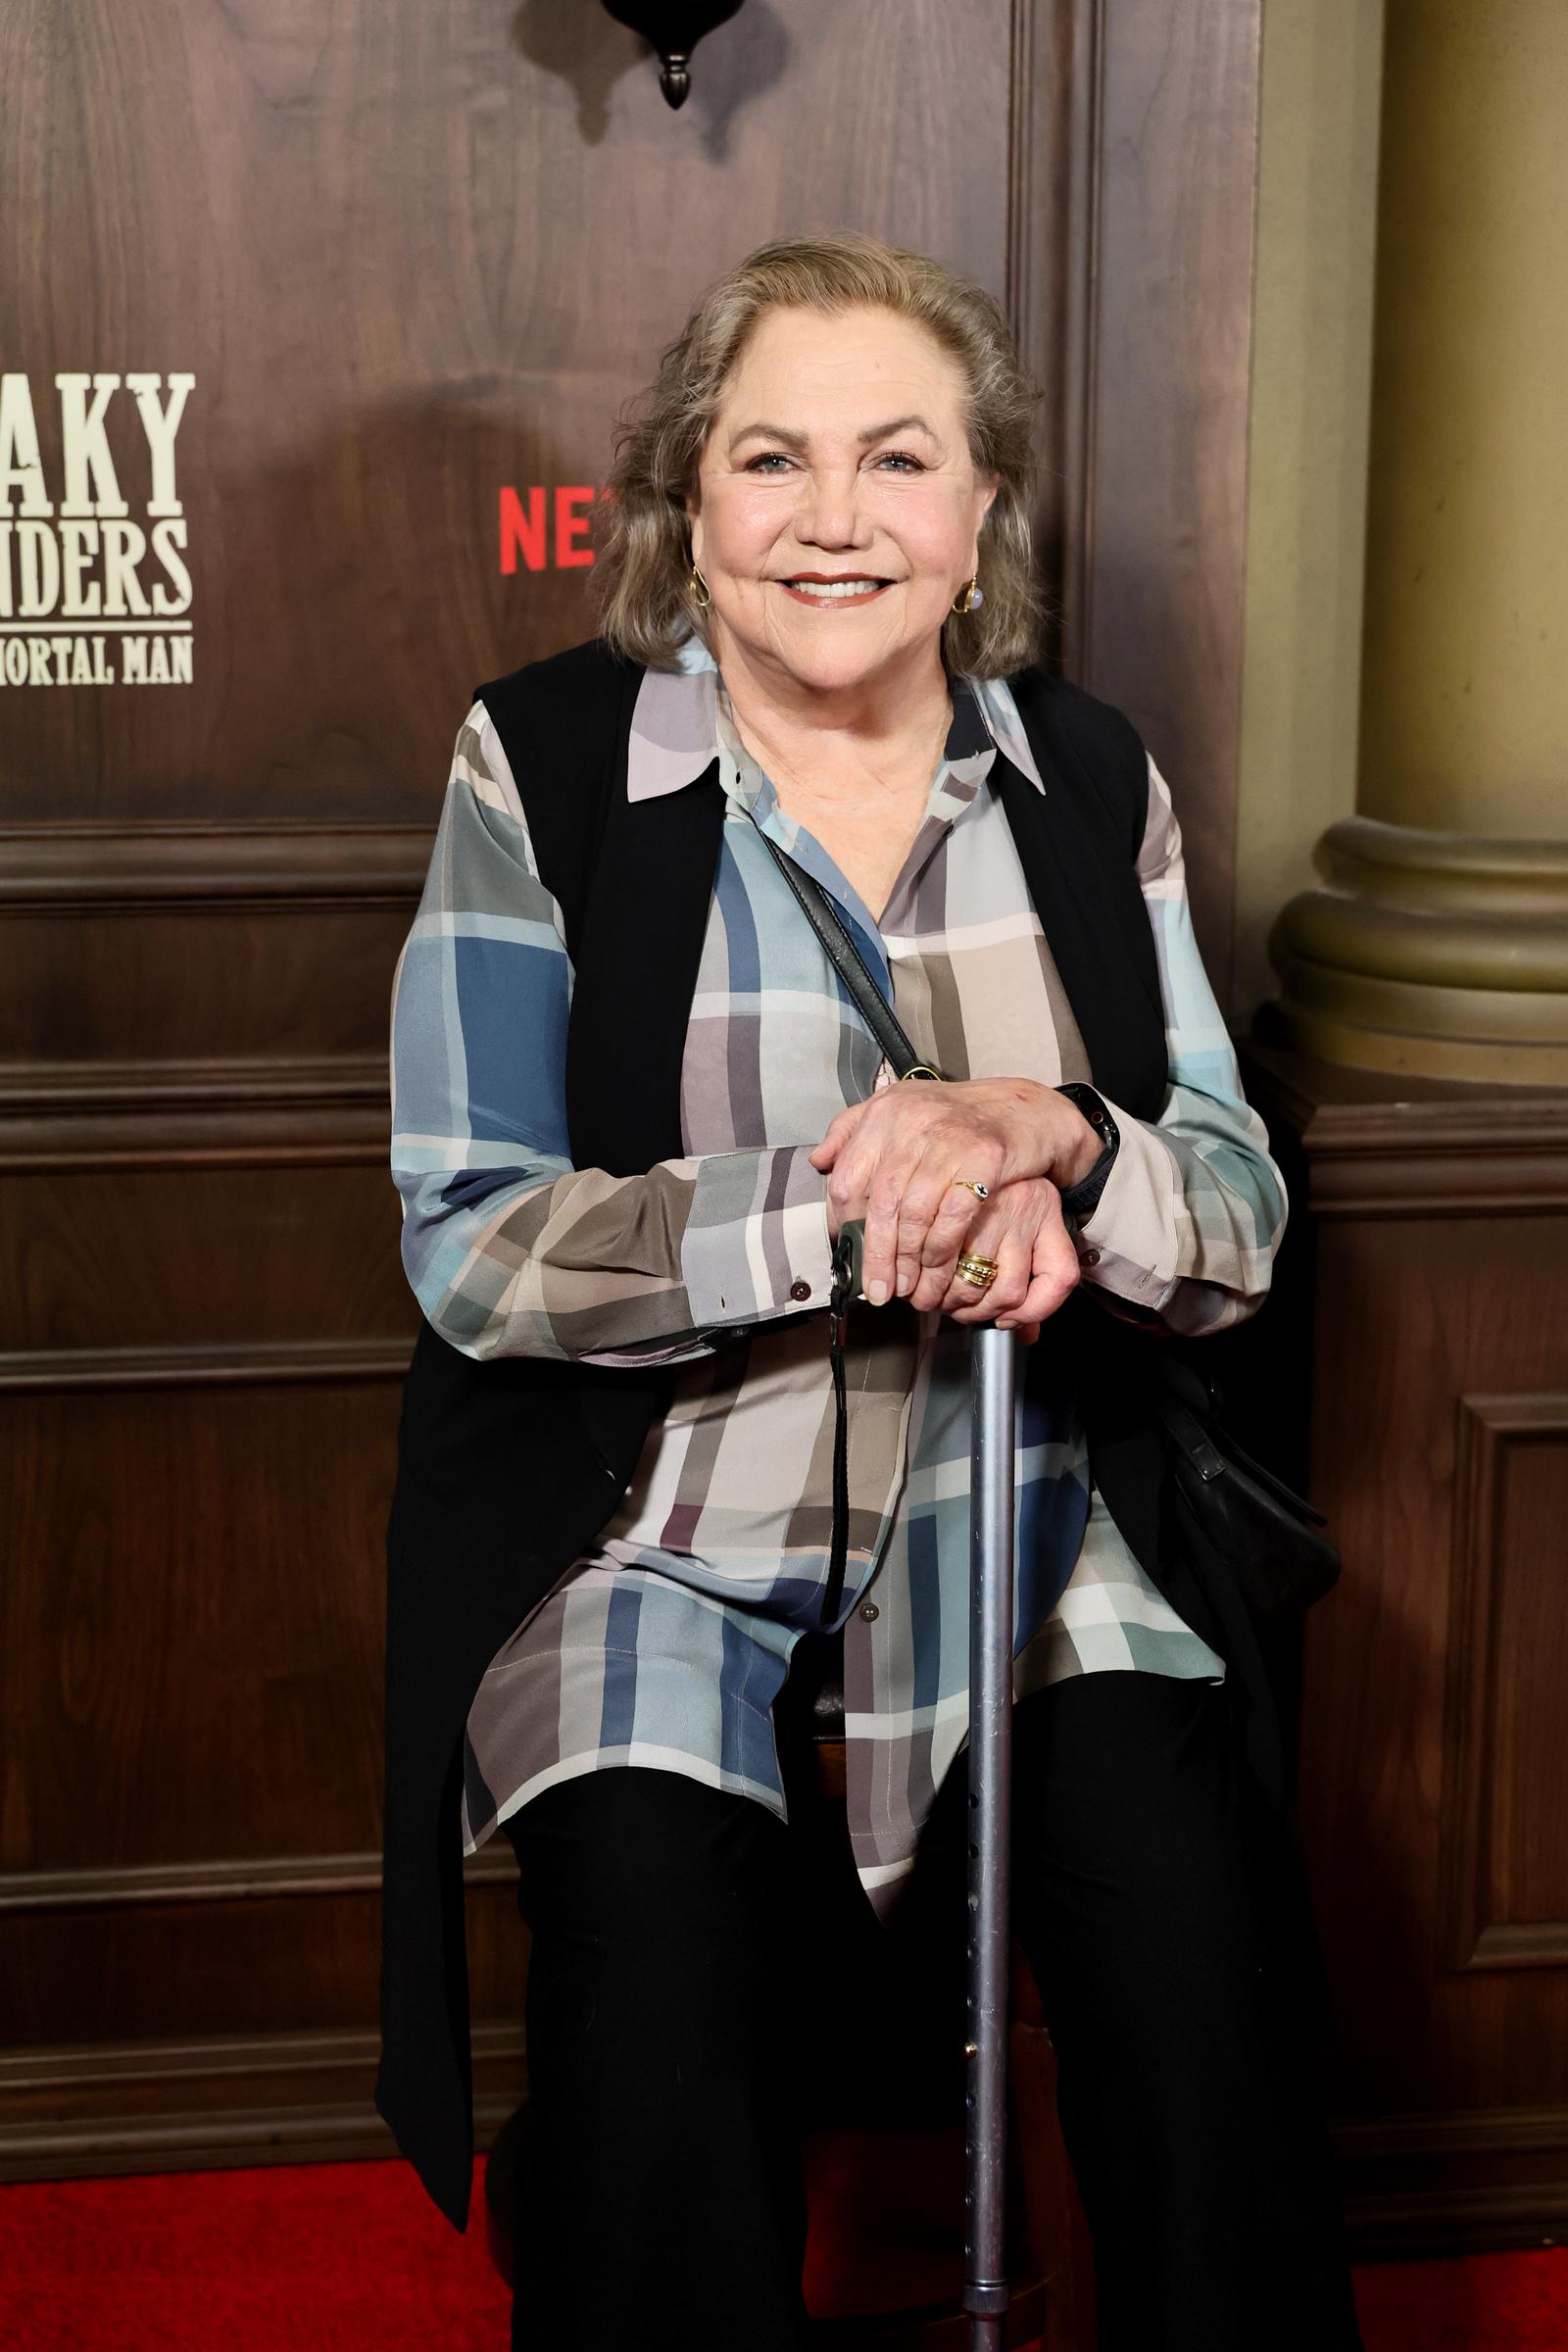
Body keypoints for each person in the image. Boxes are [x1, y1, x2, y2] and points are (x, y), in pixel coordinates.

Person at [379, 232, 1365, 2351]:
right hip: (648, 1520)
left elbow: (1236, 1211)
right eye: (772, 459)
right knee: (647, 1972)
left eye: (897, 458)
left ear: (979, 510)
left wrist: (1060, 1144)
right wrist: (842, 1212)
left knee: (1199, 1954)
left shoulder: (1087, 781)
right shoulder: (537, 767)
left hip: (1028, 1501)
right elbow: (468, 1238)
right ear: (684, 505)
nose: (835, 519)